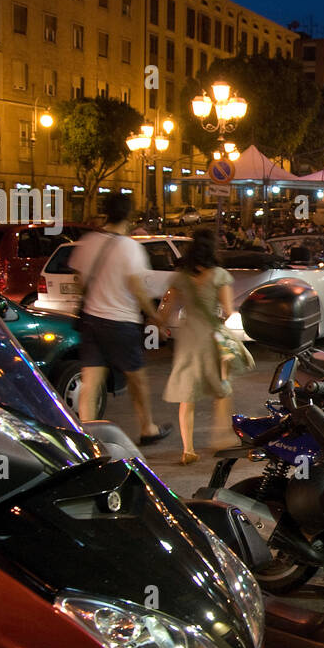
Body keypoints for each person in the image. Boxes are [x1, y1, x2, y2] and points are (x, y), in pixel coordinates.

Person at [69, 194, 170, 444]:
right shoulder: (129, 247)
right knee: (136, 378)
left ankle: (87, 436)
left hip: (91, 320)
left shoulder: (88, 242)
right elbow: (137, 288)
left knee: (91, 380)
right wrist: (155, 316)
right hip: (121, 322)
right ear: (129, 216)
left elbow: (79, 282)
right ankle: (147, 428)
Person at [162, 228, 245, 465]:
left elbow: (166, 309)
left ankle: (188, 448)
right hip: (210, 336)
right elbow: (228, 311)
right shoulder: (219, 275)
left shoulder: (180, 277)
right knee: (221, 387)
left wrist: (154, 321)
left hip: (188, 338)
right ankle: (221, 437)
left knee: (187, 395)